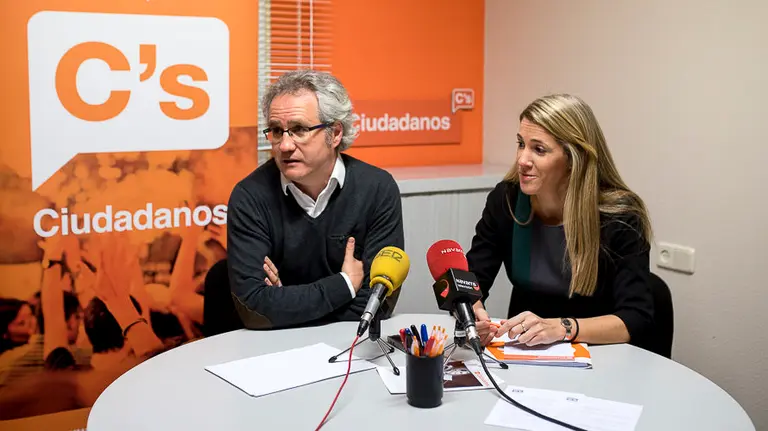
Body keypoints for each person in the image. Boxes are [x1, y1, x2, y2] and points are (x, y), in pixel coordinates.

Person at [466, 94, 654, 349]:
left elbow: (636, 318)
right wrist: (470, 309)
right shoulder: (507, 200)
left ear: (574, 159)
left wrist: (563, 328)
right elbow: (472, 279)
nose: (522, 160)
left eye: (539, 149)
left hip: (600, 353)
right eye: (521, 144)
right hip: (524, 351)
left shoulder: (620, 216)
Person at [226, 70, 404, 330]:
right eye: (276, 131)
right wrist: (344, 285)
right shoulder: (250, 197)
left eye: (299, 129)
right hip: (272, 347)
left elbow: (377, 304)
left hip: (349, 342)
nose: (285, 145)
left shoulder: (377, 189)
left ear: (335, 133)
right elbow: (254, 310)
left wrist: (284, 304)